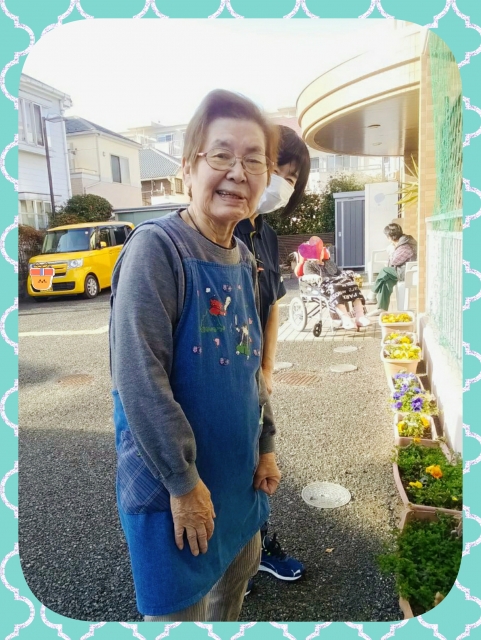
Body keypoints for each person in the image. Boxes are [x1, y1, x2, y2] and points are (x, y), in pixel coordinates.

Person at [109, 89, 282, 622]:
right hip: (176, 494)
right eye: (221, 155)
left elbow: (252, 369)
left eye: (254, 160)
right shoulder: (157, 250)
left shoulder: (245, 257)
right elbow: (139, 381)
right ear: (188, 167)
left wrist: (267, 445)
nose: (238, 172)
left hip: (238, 483)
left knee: (232, 596)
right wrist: (184, 486)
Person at [234, 125, 309, 585]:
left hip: (251, 371)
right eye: (276, 167)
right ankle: (232, 561)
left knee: (259, 460)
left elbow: (273, 304)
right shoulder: (223, 222)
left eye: (291, 177)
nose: (280, 182)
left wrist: (266, 368)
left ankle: (255, 550)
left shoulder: (264, 232)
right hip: (217, 371)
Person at [295, 237, 370, 330]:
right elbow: (309, 277)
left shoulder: (329, 263)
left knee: (353, 285)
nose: (320, 253)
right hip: (322, 285)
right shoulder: (308, 265)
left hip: (337, 282)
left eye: (321, 251)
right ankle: (345, 319)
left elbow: (339, 273)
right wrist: (316, 277)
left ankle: (360, 316)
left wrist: (350, 274)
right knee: (336, 288)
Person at [366, 223, 417, 315]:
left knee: (384, 271)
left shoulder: (405, 246)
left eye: (387, 236)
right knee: (386, 281)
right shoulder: (401, 243)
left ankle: (372, 294)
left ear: (390, 237)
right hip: (401, 271)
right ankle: (381, 308)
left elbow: (394, 261)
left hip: (407, 273)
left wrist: (392, 250)